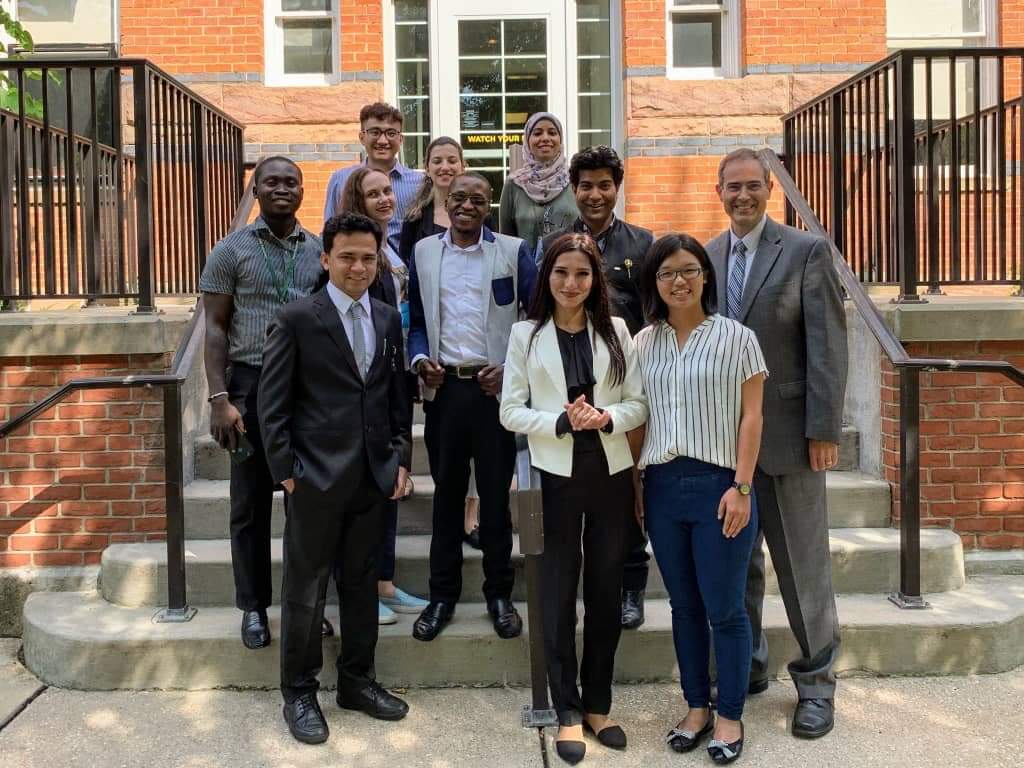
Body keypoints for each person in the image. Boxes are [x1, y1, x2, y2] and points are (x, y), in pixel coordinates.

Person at [705, 148, 848, 740]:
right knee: (738, 570)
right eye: (731, 187)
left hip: (790, 440)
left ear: (769, 189)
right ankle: (750, 665)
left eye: (751, 186)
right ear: (719, 192)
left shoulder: (806, 251)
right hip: (724, 446)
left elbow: (828, 346)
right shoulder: (706, 256)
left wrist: (823, 430)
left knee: (803, 569)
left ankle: (816, 686)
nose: (741, 196)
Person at [258, 212, 412, 744]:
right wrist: (287, 473)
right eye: (347, 256)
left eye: (368, 258)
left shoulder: (389, 320)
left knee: (361, 586)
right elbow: (271, 404)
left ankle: (356, 680)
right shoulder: (298, 317)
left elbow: (396, 399)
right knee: (305, 592)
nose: (358, 266)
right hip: (315, 480)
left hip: (372, 478)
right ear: (326, 259)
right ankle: (299, 692)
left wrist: (399, 460)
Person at [500, 233, 647, 765]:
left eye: (582, 274)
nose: (571, 283)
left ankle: (599, 705)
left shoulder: (617, 332)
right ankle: (566, 710)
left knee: (606, 593)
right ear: (548, 276)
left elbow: (638, 403)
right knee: (558, 593)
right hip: (555, 473)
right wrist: (561, 420)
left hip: (609, 471)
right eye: (561, 273)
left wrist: (606, 417)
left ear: (595, 278)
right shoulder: (526, 334)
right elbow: (510, 411)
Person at [634, 233, 768, 765]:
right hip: (663, 486)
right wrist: (636, 489)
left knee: (726, 608)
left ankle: (730, 714)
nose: (679, 281)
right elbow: (639, 419)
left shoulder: (737, 338)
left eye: (689, 269)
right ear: (655, 282)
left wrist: (742, 486)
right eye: (667, 273)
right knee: (684, 606)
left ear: (706, 275)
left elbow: (752, 416)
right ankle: (696, 707)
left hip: (720, 488)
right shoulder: (644, 343)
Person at [198, 156, 333, 650]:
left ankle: (303, 605)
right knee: (250, 506)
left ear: (302, 190)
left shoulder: (319, 252)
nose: (282, 188)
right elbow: (213, 328)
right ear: (255, 189)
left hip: (305, 390)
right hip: (249, 387)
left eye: (291, 182)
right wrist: (219, 398)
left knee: (308, 505)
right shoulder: (230, 250)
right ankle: (253, 608)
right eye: (271, 181)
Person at [407, 172, 537, 642]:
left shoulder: (512, 251)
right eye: (458, 196)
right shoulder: (423, 253)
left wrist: (511, 367)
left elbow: (535, 317)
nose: (466, 205)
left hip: (496, 392)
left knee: (498, 500)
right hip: (446, 392)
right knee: (446, 498)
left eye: (476, 199)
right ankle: (442, 596)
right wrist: (420, 360)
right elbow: (417, 320)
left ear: (490, 204)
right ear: (445, 200)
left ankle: (498, 594)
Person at [542, 145, 654, 630]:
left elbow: (654, 312)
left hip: (625, 382)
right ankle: (579, 588)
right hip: (571, 381)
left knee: (629, 485)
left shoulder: (642, 243)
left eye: (604, 184)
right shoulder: (557, 243)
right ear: (573, 189)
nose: (594, 194)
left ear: (617, 187)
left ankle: (631, 585)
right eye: (585, 185)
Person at [336, 168, 430, 625]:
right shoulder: (355, 255)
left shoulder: (388, 247)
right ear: (355, 199)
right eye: (372, 193)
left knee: (390, 484)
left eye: (387, 190)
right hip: (363, 388)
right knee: (362, 500)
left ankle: (386, 584)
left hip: (394, 372)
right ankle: (362, 588)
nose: (384, 198)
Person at [398, 136, 483, 550]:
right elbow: (414, 296)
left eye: (453, 160)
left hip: (481, 369)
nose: (446, 167)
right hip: (439, 359)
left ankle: (474, 511)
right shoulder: (416, 219)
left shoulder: (495, 240)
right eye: (438, 160)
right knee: (446, 464)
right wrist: (418, 357)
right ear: (427, 166)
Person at [323, 102, 423, 253]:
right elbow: (328, 232)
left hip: (405, 269)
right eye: (375, 132)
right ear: (362, 137)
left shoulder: (419, 183)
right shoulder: (340, 179)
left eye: (391, 133)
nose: (383, 140)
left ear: (401, 139)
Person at [498, 112, 577, 256]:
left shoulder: (575, 180)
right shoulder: (513, 184)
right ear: (527, 140)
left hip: (569, 272)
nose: (545, 138)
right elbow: (506, 241)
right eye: (537, 133)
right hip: (526, 274)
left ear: (560, 139)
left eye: (552, 133)